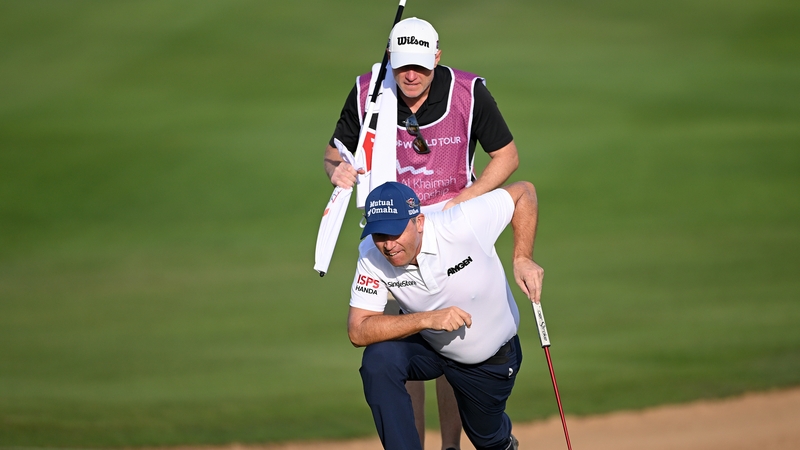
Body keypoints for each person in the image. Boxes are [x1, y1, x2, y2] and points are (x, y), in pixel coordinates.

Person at [323, 17, 520, 449]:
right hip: (389, 232)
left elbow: (507, 157)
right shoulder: (369, 91)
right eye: (402, 66)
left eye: (421, 67)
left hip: (449, 231)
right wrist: (337, 170)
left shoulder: (468, 93)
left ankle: (450, 445)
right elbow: (335, 153)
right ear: (391, 59)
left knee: (453, 338)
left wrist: (468, 198)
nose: (411, 76)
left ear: (437, 59)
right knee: (396, 334)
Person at [347, 180, 543, 450]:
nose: (388, 245)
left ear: (419, 222)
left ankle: (501, 441)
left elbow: (524, 192)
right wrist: (427, 319)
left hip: (488, 361)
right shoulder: (371, 254)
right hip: (429, 347)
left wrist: (522, 257)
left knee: (488, 440)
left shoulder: (461, 223)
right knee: (379, 361)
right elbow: (358, 330)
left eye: (394, 233)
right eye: (379, 235)